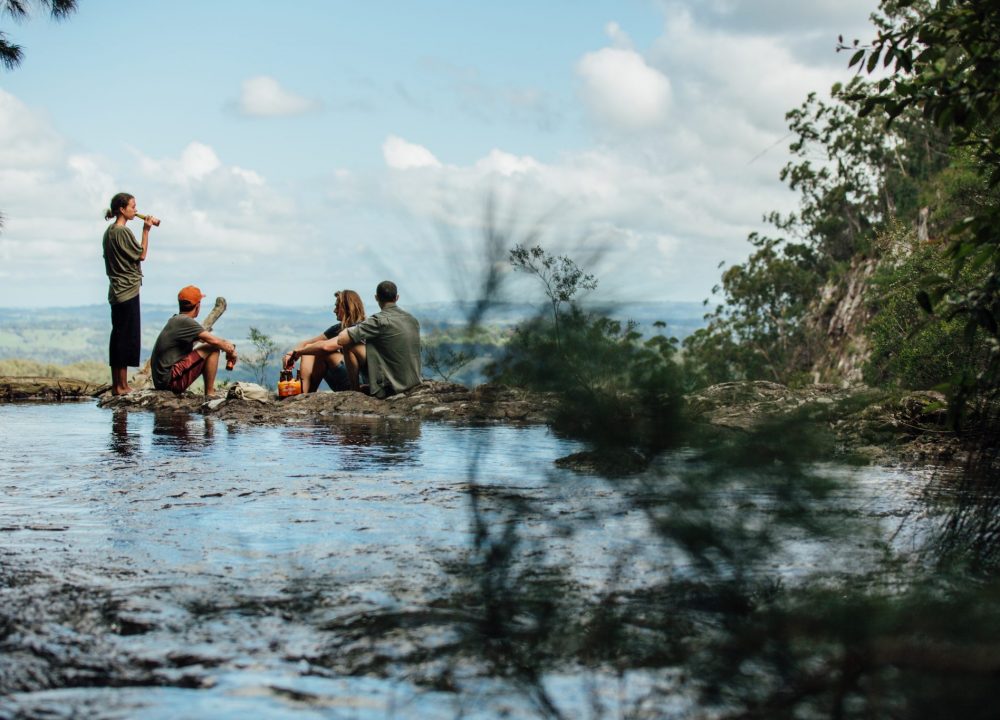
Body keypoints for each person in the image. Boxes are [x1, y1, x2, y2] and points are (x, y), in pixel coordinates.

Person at [103, 192, 157, 395]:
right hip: (128, 289)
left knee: (118, 335)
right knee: (125, 337)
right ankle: (122, 386)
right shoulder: (122, 232)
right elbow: (141, 254)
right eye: (132, 207)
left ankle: (117, 384)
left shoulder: (109, 232)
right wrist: (146, 230)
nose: (136, 210)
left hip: (116, 290)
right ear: (122, 209)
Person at [333, 280, 422, 399]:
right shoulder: (412, 320)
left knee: (350, 344)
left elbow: (342, 340)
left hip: (391, 389)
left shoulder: (378, 321)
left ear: (376, 298)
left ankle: (355, 390)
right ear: (397, 297)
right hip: (413, 383)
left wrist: (346, 329)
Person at [150, 285, 238, 396]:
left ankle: (209, 392)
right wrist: (231, 351)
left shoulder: (176, 320)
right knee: (213, 348)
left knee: (211, 347)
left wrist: (227, 345)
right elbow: (215, 342)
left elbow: (206, 340)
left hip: (162, 381)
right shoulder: (185, 321)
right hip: (170, 382)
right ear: (197, 306)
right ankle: (210, 393)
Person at [284, 290, 366, 392]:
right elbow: (305, 343)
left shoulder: (360, 328)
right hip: (344, 378)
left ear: (347, 308)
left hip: (360, 381)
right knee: (309, 350)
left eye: (337, 307)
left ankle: (308, 394)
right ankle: (304, 393)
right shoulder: (338, 328)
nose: (334, 311)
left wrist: (297, 353)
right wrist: (291, 355)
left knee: (322, 352)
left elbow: (325, 347)